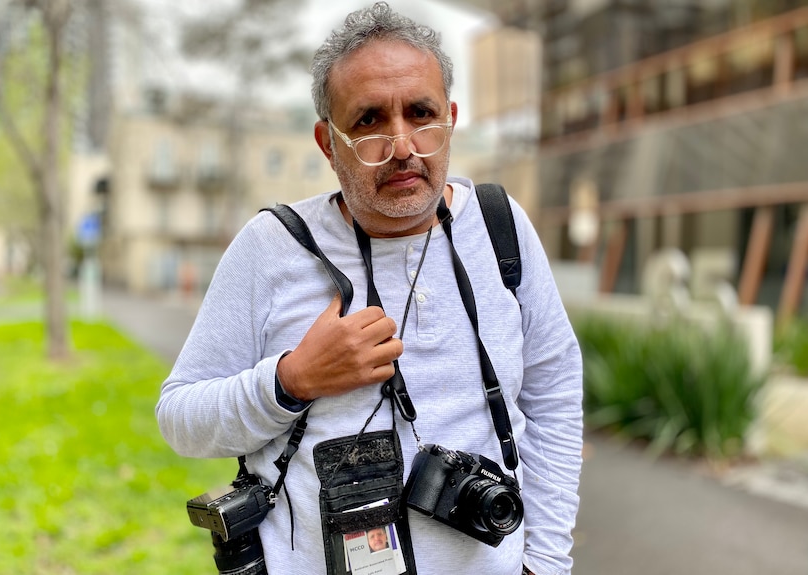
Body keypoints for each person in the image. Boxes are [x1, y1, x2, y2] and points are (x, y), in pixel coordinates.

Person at [156, 3, 583, 574]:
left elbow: (553, 395)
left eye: (421, 113)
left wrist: (547, 561)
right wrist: (292, 380)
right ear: (327, 143)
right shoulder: (271, 246)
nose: (402, 144)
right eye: (369, 121)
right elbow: (179, 417)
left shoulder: (501, 227)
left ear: (450, 119)